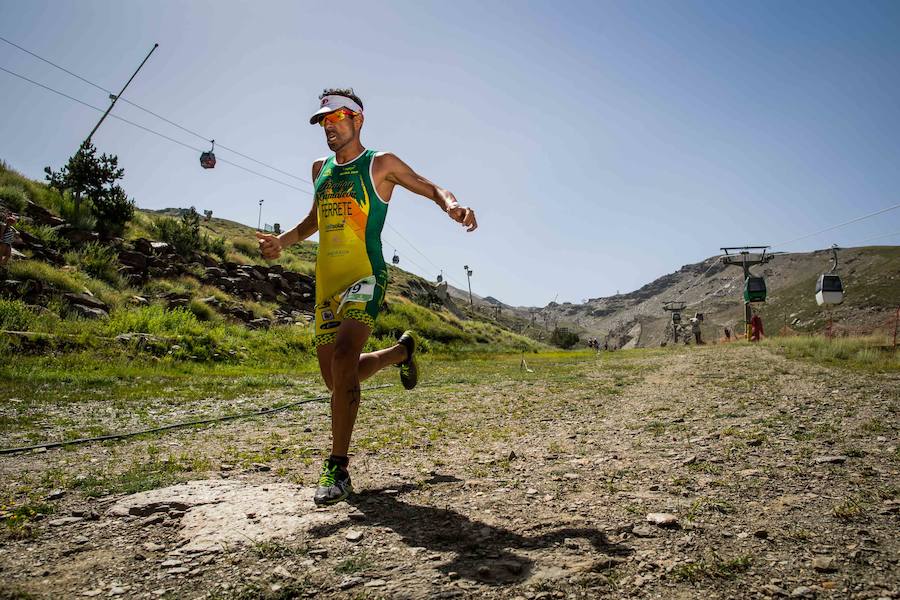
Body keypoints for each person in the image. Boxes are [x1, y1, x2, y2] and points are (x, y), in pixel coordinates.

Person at [256, 88, 477, 506]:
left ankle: (337, 468)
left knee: (342, 361)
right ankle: (400, 353)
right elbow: (312, 222)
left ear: (357, 119)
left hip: (365, 274)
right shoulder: (320, 169)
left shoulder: (381, 164)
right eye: (322, 120)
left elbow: (428, 186)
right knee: (338, 380)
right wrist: (282, 242)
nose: (328, 127)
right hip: (327, 281)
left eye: (336, 117)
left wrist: (452, 205)